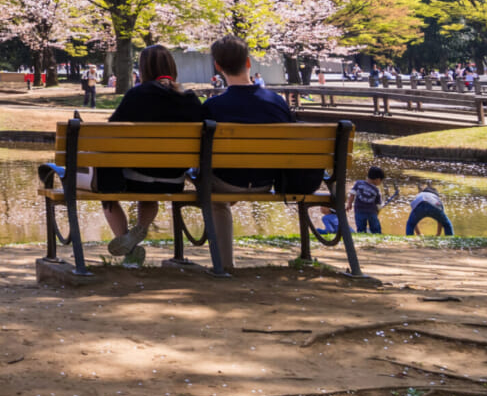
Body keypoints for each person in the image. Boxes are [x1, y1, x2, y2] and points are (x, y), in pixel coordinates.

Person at [37, 44, 204, 267]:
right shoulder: (191, 98)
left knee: (109, 188)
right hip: (173, 181)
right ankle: (140, 230)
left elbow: (109, 135)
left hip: (135, 178)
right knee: (150, 190)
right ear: (172, 67)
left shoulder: (137, 95)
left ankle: (130, 250)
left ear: (143, 69)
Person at [201, 36, 319, 274]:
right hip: (266, 182)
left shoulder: (212, 107)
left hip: (226, 183)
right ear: (248, 62)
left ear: (217, 66)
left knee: (215, 198)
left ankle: (224, 264)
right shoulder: (276, 102)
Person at [351, 166, 385, 235]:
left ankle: (361, 234)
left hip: (359, 210)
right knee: (375, 227)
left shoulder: (358, 183)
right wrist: (378, 210)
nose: (380, 182)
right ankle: (377, 234)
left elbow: (352, 194)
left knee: (360, 226)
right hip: (371, 212)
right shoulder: (376, 190)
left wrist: (349, 204)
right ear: (377, 179)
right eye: (381, 180)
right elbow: (378, 204)